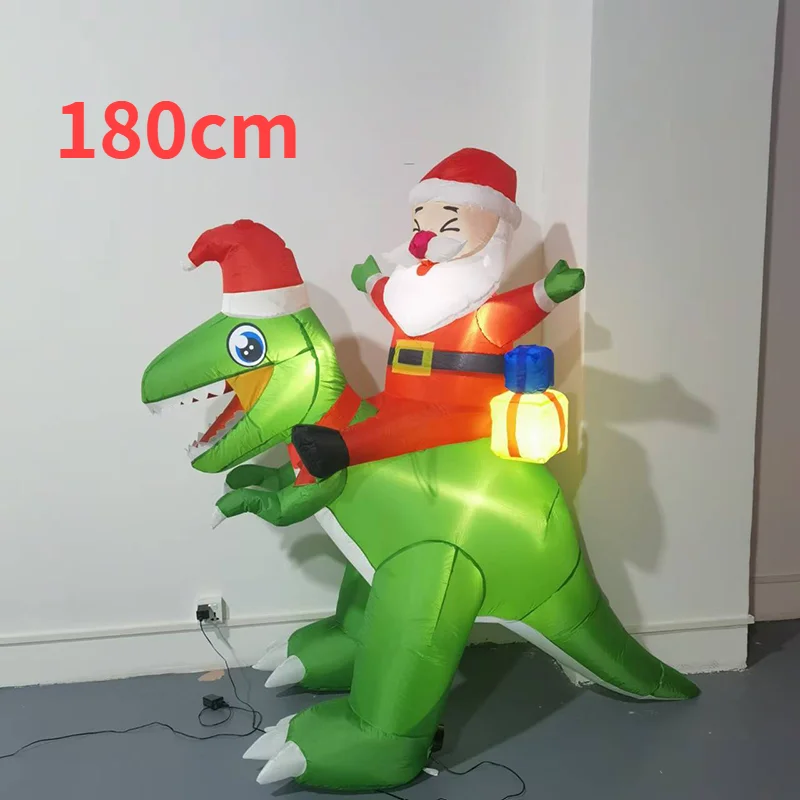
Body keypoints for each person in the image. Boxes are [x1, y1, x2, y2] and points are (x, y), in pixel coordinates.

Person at [292, 147, 584, 479]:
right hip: (395, 396)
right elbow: (392, 299)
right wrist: (370, 280)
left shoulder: (484, 316)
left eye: (448, 226)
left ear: (495, 232)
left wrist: (548, 290)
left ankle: (341, 451)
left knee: (412, 427)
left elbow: (519, 309)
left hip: (461, 410)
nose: (422, 241)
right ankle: (297, 460)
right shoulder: (409, 295)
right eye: (418, 226)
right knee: (361, 411)